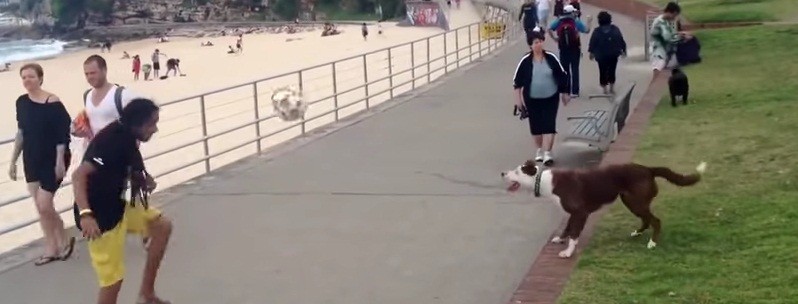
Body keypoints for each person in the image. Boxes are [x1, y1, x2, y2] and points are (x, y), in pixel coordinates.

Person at [72, 98, 173, 304]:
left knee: (162, 227)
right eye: (152, 123)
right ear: (137, 123)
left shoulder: (127, 134)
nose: (155, 129)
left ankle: (146, 294)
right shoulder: (111, 141)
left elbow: (124, 164)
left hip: (117, 206)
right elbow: (78, 175)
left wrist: (142, 179)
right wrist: (86, 215)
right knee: (113, 281)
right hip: (100, 217)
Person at [9, 63, 76, 266]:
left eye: (31, 76)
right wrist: (13, 161)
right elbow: (21, 133)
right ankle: (56, 243)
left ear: (40, 78)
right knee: (41, 208)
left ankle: (56, 243)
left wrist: (59, 162)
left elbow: (62, 135)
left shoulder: (52, 102)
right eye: (24, 77)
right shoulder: (21, 102)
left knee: (44, 204)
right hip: (31, 158)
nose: (27, 80)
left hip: (53, 158)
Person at [512, 28, 571, 165]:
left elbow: (562, 76)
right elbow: (517, 83)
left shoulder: (551, 58)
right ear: (530, 45)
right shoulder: (525, 61)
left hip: (551, 97)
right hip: (532, 99)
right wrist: (518, 102)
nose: (538, 44)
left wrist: (565, 93)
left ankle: (548, 153)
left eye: (540, 41)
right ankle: (539, 149)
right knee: (536, 127)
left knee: (549, 125)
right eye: (535, 42)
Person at [548, 5, 592, 97]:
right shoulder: (575, 21)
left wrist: (555, 39)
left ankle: (567, 90)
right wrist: (589, 21)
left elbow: (549, 29)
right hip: (575, 48)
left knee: (565, 69)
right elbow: (587, 30)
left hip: (563, 49)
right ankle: (575, 92)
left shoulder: (559, 20)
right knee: (575, 69)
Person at [588, 11, 627, 94]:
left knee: (602, 71)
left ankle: (604, 88)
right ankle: (612, 88)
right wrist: (624, 50)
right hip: (613, 54)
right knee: (612, 70)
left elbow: (592, 42)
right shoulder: (615, 29)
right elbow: (621, 40)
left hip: (601, 55)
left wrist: (591, 53)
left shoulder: (597, 31)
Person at [650, 2, 691, 77]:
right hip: (658, 53)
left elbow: (672, 34)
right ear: (670, 12)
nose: (674, 18)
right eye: (674, 15)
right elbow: (668, 39)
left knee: (665, 75)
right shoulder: (660, 22)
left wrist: (681, 34)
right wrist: (682, 37)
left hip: (665, 52)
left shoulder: (666, 22)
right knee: (658, 75)